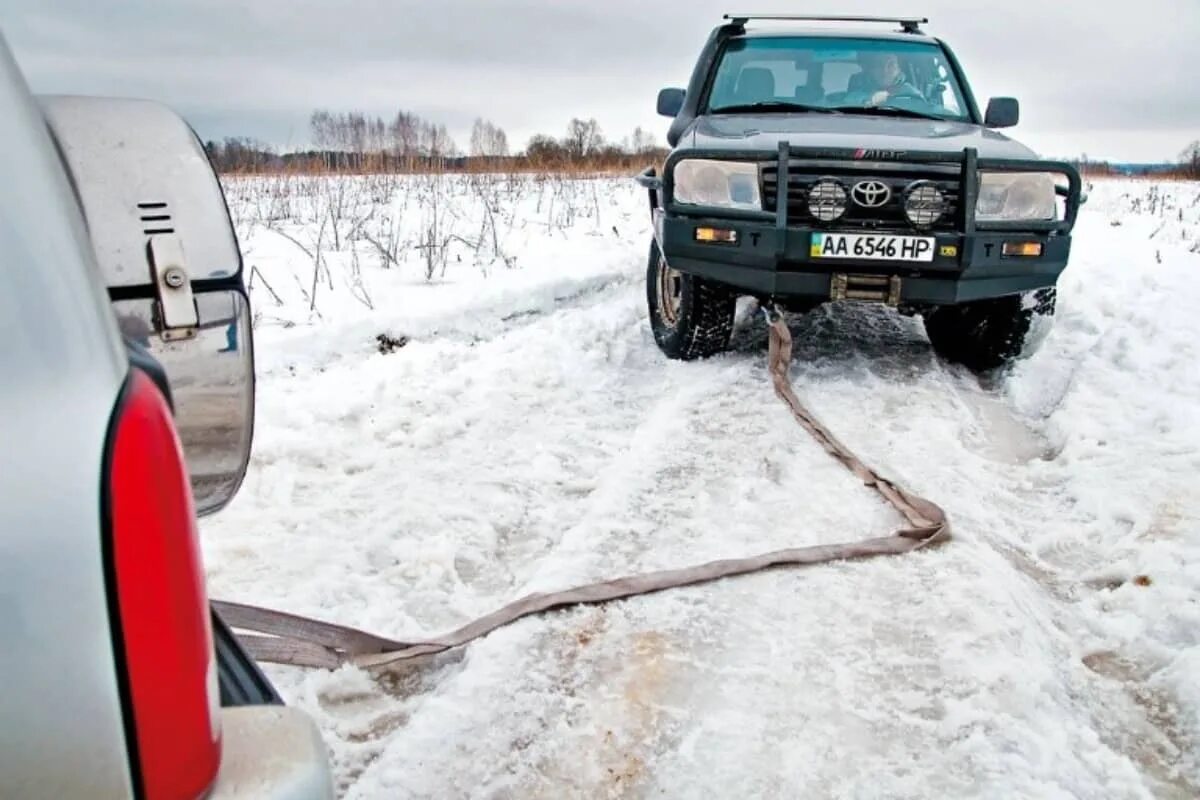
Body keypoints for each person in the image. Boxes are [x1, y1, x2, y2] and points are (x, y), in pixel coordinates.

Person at [855, 52, 923, 107]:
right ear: (872, 70)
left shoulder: (912, 93)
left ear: (899, 69)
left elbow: (923, 109)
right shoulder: (858, 93)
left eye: (891, 64)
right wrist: (870, 102)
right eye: (879, 64)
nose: (885, 70)